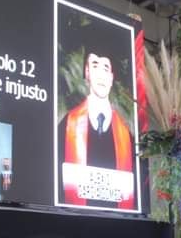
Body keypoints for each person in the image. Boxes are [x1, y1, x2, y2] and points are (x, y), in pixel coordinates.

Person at [57, 40, 135, 210]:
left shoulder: (127, 134)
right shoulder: (66, 125)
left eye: (106, 68)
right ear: (87, 72)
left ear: (112, 77)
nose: (101, 74)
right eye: (95, 65)